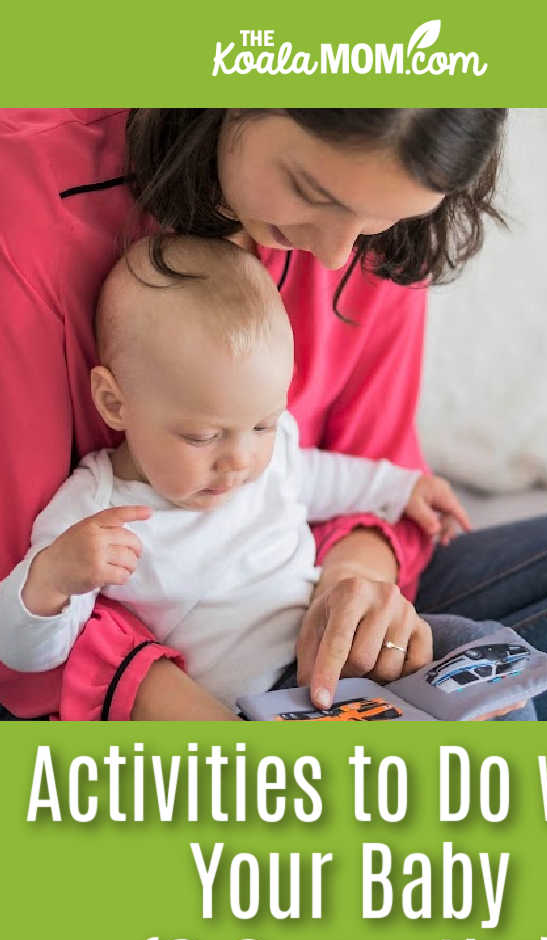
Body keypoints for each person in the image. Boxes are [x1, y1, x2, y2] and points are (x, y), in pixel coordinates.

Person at [1, 108, 547, 721]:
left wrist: (357, 581)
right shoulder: (28, 208)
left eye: (386, 220)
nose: (337, 254)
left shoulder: (373, 224)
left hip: (307, 613)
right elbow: (31, 584)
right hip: (147, 672)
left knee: (490, 690)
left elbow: (370, 468)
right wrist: (177, 714)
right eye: (310, 191)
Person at [0, 234, 500, 717]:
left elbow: (319, 477)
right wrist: (51, 580)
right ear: (114, 402)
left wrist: (401, 488)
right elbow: (27, 655)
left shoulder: (263, 451)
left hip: (336, 652)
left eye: (263, 424)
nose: (240, 460)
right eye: (202, 436)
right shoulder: (95, 512)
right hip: (256, 705)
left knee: (478, 652)